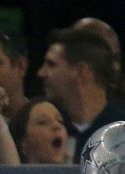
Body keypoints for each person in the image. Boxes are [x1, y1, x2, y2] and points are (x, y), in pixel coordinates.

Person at [38, 27, 125, 163]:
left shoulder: (121, 133)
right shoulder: (45, 131)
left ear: (80, 71)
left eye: (51, 64)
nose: (41, 73)